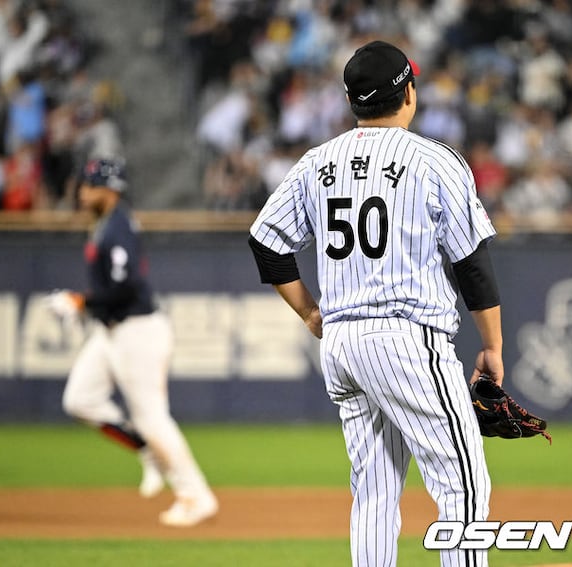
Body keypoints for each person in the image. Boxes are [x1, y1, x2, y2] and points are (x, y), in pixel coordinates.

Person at [248, 40, 503, 567]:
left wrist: (310, 312)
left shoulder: (317, 161)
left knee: (374, 492)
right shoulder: (434, 160)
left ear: (351, 102)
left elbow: (266, 241)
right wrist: (493, 347)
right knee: (462, 485)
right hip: (407, 340)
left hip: (342, 344)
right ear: (409, 93)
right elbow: (471, 263)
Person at [48, 157, 218, 527]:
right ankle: (146, 449)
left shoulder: (118, 227)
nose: (82, 192)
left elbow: (125, 286)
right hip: (111, 331)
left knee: (153, 418)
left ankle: (196, 496)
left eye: (90, 185)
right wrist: (86, 305)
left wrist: (81, 301)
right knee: (80, 399)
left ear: (110, 190)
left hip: (138, 331)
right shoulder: (105, 223)